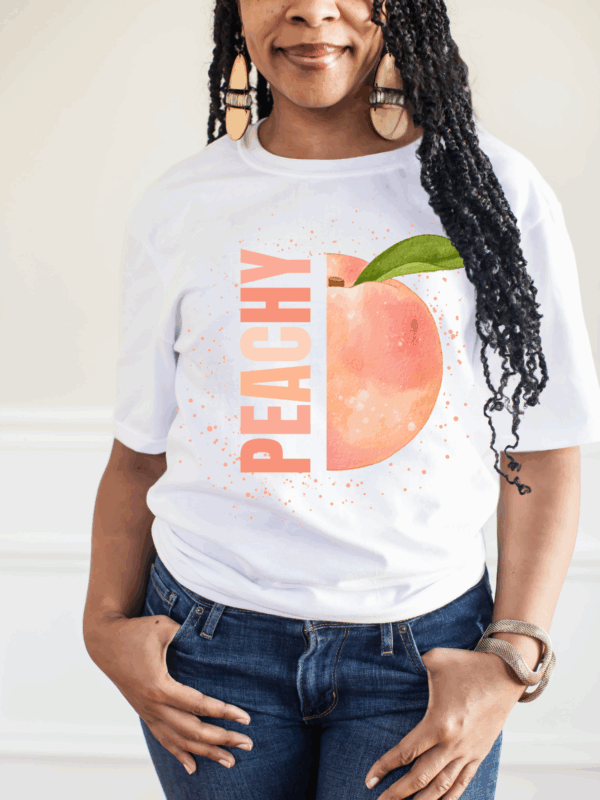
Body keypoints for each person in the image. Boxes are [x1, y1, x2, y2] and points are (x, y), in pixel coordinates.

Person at [83, 2, 600, 799]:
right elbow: (139, 451)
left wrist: (512, 657)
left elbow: (542, 444)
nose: (311, 10)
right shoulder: (181, 205)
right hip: (211, 650)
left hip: (422, 658)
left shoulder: (490, 194)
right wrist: (101, 628)